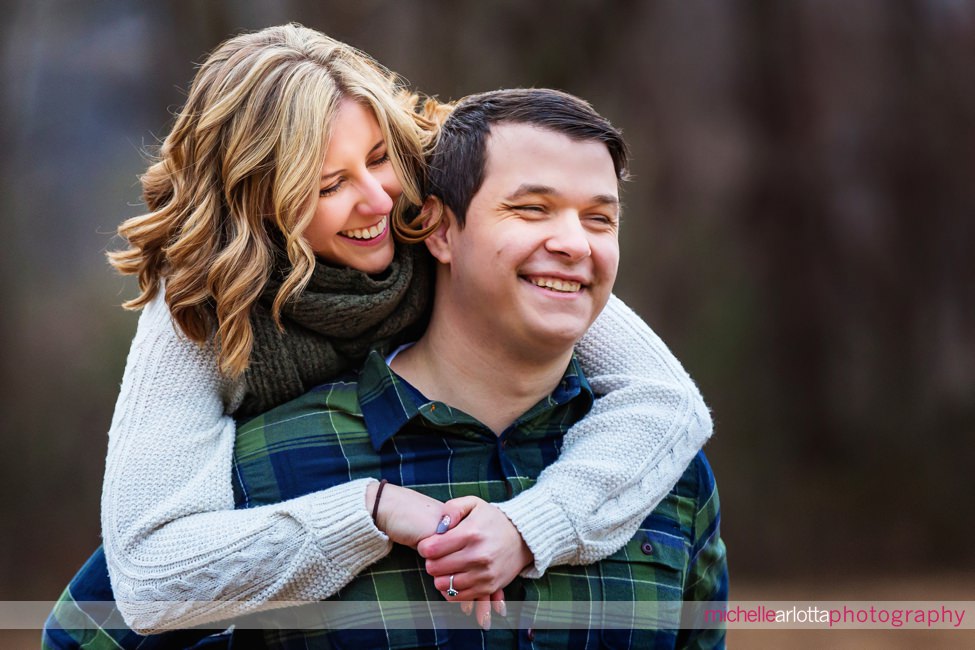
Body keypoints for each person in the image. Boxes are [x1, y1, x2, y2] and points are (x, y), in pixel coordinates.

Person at [42, 24, 713, 648]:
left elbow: (665, 401)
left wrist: (528, 526)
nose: (377, 201)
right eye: (329, 183)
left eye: (377, 158)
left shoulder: (437, 208)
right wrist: (370, 508)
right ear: (258, 203)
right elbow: (148, 580)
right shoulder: (202, 300)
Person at [224, 87, 727, 648]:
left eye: (599, 219)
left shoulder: (666, 472)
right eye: (532, 209)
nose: (574, 244)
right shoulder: (268, 463)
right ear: (439, 230)